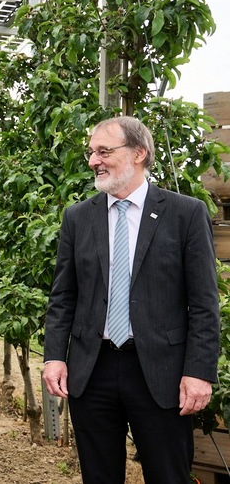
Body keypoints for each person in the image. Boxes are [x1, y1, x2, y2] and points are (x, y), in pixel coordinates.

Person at [43, 115, 220, 483]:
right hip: (93, 370)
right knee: (99, 475)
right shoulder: (78, 217)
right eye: (92, 152)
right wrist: (55, 357)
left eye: (104, 151)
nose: (94, 160)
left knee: (168, 474)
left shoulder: (184, 213)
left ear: (139, 153)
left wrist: (199, 372)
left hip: (162, 372)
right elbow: (63, 296)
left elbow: (204, 303)